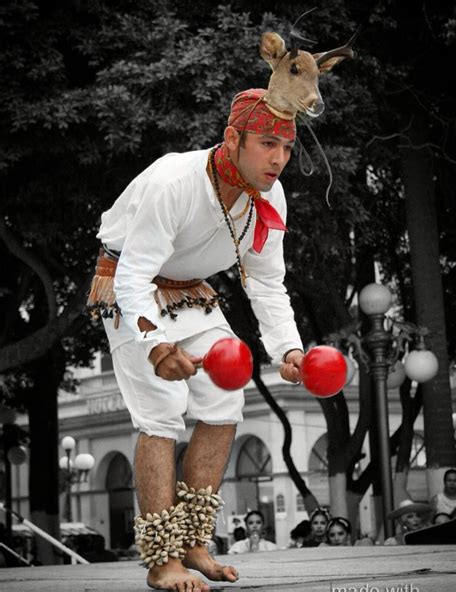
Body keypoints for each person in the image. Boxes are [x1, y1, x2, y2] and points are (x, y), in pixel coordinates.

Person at [88, 28, 352, 590]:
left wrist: (288, 351)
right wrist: (156, 346)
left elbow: (266, 283)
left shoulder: (269, 198)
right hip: (128, 281)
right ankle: (162, 561)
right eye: (267, 146)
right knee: (161, 408)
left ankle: (195, 544)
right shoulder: (175, 181)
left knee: (225, 402)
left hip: (190, 288)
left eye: (286, 148)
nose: (279, 160)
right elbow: (134, 275)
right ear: (234, 139)